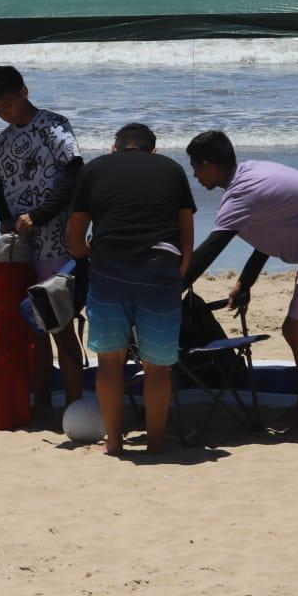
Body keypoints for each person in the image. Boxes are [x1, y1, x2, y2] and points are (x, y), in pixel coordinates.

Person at [184, 130, 298, 429]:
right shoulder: (252, 173)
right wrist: (247, 281)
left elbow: (212, 249)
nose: (195, 176)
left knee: (295, 330)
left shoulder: (240, 193)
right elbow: (273, 229)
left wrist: (173, 287)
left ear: (208, 165)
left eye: (195, 167)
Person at [65, 122, 195, 455]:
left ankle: (114, 442)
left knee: (109, 362)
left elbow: (74, 237)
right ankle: (154, 443)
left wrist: (87, 254)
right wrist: (180, 268)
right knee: (158, 366)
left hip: (110, 268)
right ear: (154, 149)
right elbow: (185, 229)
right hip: (160, 268)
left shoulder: (94, 170)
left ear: (114, 147)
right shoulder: (171, 169)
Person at [0, 65, 87, 407]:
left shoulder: (52, 127)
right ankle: (41, 403)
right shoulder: (0, 144)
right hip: (20, 247)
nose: (5, 113)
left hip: (54, 243)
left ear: (24, 92)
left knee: (60, 325)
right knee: (34, 331)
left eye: (8, 104)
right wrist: (4, 220)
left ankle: (74, 401)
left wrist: (40, 216)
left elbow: (76, 176)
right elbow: (0, 189)